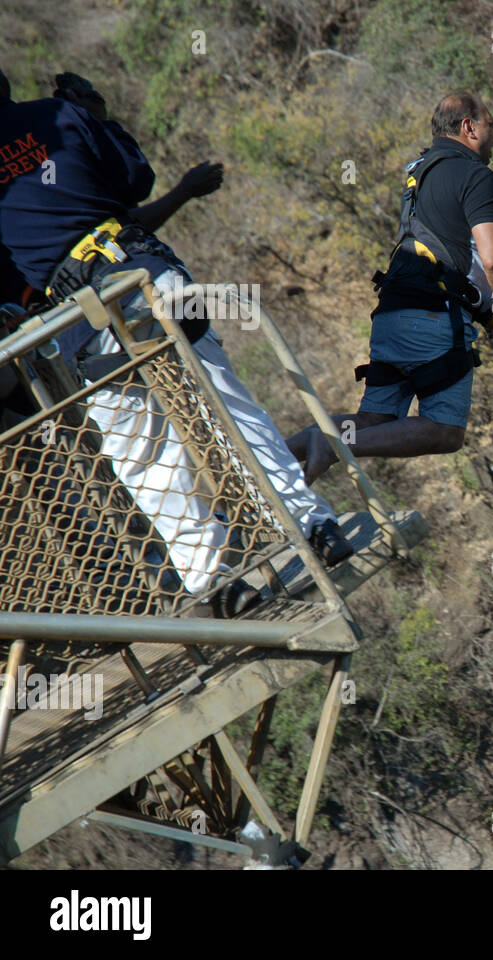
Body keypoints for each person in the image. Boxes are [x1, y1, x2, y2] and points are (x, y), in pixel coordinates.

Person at [0, 69, 352, 616]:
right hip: (145, 272)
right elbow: (134, 179)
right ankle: (313, 523)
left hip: (74, 317)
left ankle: (216, 581)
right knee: (223, 400)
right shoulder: (59, 115)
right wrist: (94, 114)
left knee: (140, 447)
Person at [288, 91, 493, 484]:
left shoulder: (419, 170)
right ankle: (335, 446)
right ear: (468, 127)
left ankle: (271, 463)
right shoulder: (476, 176)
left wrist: (490, 314)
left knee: (376, 419)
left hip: (392, 311)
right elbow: (492, 259)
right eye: (491, 124)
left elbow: (447, 250)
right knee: (445, 430)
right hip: (433, 317)